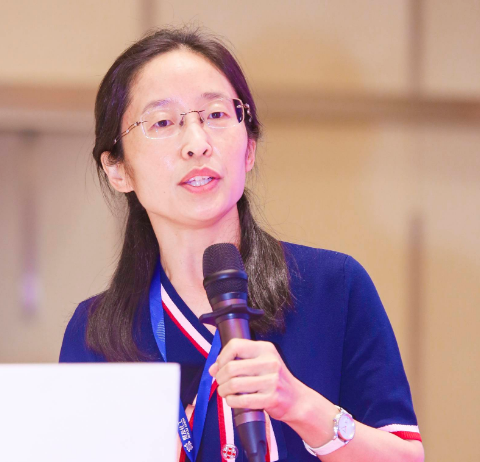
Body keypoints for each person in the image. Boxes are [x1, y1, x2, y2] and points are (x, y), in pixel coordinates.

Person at [60, 27, 424, 462]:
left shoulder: (333, 287)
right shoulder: (96, 332)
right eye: (163, 122)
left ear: (249, 147)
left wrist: (301, 406)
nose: (197, 144)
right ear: (117, 169)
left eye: (216, 115)